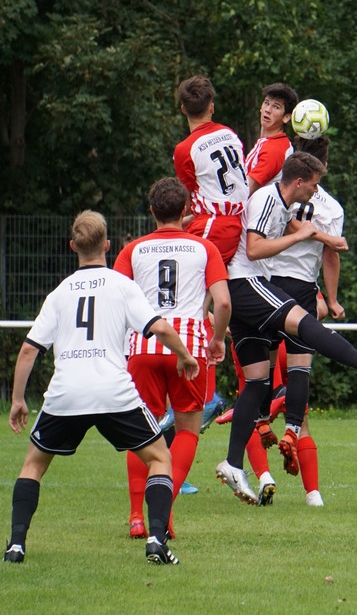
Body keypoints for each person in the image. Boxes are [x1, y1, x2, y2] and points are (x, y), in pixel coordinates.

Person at [4, 210, 199, 566]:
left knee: (33, 465)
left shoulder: (59, 293)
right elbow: (160, 328)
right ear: (107, 245)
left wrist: (18, 399)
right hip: (113, 392)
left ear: (73, 246)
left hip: (67, 393)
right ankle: (156, 540)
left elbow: (29, 350)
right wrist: (185, 356)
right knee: (159, 459)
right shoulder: (122, 286)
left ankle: (16, 546)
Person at [215, 152, 357, 504]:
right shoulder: (268, 198)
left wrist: (316, 236)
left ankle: (232, 463)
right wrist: (300, 236)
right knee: (305, 324)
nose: (316, 192)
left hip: (245, 289)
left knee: (257, 381)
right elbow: (254, 249)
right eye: (314, 185)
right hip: (245, 282)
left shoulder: (282, 203)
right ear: (299, 181)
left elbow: (291, 233)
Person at [113, 177, 230, 538]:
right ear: (186, 210)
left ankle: (137, 516)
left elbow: (115, 302)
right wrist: (218, 339)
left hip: (144, 346)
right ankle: (163, 512)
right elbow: (223, 302)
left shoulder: (132, 250)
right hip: (189, 349)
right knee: (187, 432)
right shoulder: (205, 248)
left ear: (151, 211)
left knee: (141, 434)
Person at [265, 135, 346, 507]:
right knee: (301, 390)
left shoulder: (273, 192)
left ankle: (259, 474)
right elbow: (330, 256)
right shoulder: (330, 206)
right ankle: (313, 493)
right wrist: (331, 298)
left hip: (263, 289)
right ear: (323, 166)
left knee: (255, 390)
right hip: (301, 296)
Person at [173, 75, 249, 264]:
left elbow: (186, 201)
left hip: (214, 225)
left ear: (183, 109)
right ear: (211, 107)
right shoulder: (229, 134)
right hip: (242, 217)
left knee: (179, 272)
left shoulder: (184, 149)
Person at [243, 82, 299, 194]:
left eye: (276, 107)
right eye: (266, 103)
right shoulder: (271, 142)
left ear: (286, 117)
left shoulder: (274, 149)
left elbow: (245, 191)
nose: (268, 110)